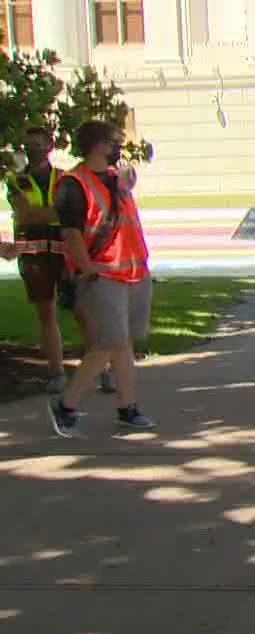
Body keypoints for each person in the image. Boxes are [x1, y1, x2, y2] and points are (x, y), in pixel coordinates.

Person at [47, 120, 154, 436]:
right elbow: (72, 233)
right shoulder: (73, 184)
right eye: (113, 142)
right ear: (97, 145)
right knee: (108, 342)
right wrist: (87, 268)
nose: (117, 147)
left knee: (122, 343)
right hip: (101, 274)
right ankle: (66, 405)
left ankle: (127, 406)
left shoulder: (115, 179)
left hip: (132, 272)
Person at [8, 125, 68, 392]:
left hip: (65, 252)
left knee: (82, 309)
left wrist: (42, 213)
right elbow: (26, 215)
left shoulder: (66, 179)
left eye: (39, 144)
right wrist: (53, 212)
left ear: (50, 146)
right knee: (46, 312)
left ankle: (102, 366)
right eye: (29, 145)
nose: (34, 149)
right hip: (33, 255)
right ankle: (57, 372)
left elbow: (64, 214)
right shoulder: (15, 180)